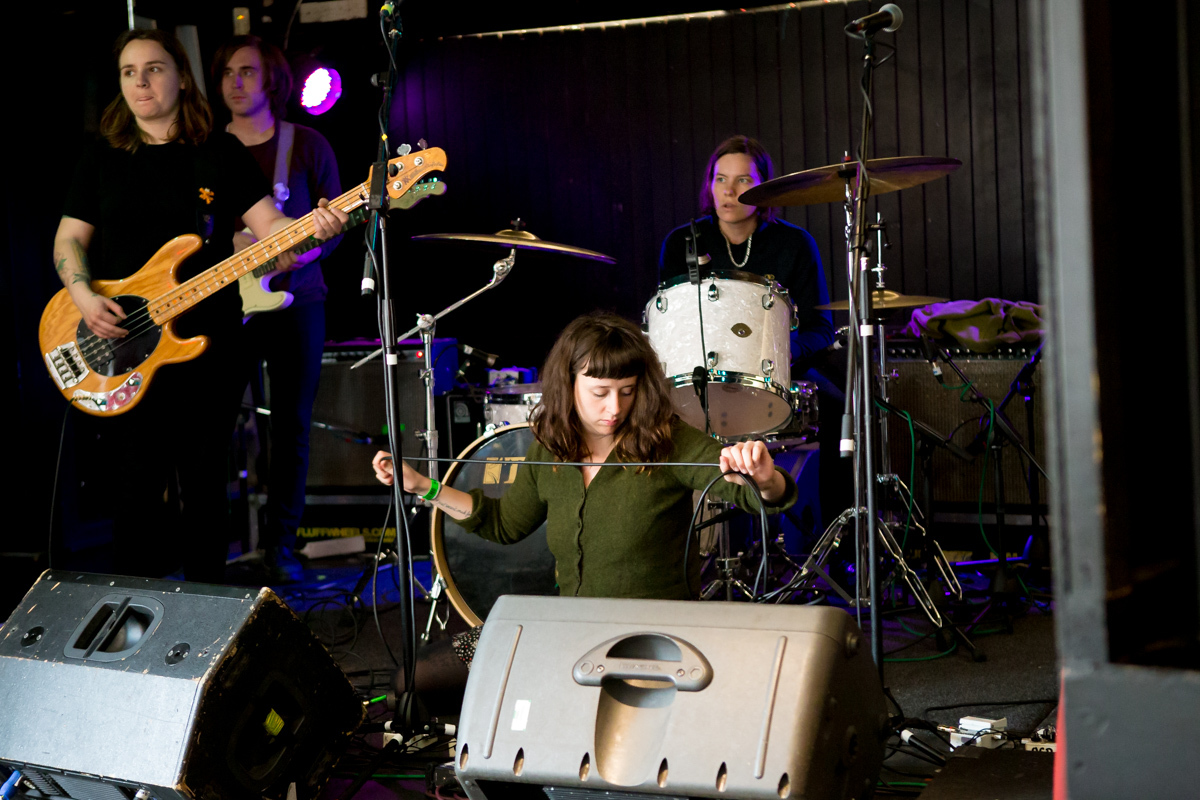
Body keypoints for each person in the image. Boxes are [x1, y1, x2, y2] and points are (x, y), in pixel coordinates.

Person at [371, 312, 798, 704]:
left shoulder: (669, 440)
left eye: (627, 392)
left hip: (651, 638)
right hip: (570, 626)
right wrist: (422, 486)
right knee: (414, 682)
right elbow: (502, 525)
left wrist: (763, 477)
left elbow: (752, 494)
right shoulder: (550, 449)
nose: (614, 408)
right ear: (569, 384)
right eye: (600, 393)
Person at [52, 29, 346, 582]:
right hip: (123, 343)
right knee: (135, 487)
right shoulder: (101, 157)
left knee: (205, 482)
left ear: (181, 77)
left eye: (155, 68)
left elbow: (272, 229)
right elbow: (68, 239)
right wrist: (84, 295)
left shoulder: (217, 152)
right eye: (129, 71)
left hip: (208, 345)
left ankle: (208, 625)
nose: (141, 81)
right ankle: (132, 621)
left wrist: (314, 227)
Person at [657, 135, 848, 536]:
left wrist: (777, 353)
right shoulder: (682, 242)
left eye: (743, 180)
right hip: (697, 376)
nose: (729, 190)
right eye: (720, 178)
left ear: (765, 186)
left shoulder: (794, 244)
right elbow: (666, 323)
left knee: (839, 409)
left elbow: (821, 328)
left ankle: (834, 538)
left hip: (778, 375)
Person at [212, 35, 344, 582]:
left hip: (298, 301)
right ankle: (213, 548)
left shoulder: (307, 144)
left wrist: (305, 246)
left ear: (273, 80)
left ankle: (281, 549)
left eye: (246, 72)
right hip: (224, 307)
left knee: (290, 427)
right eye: (226, 74)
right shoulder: (206, 148)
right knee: (214, 427)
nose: (235, 83)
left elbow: (334, 228)